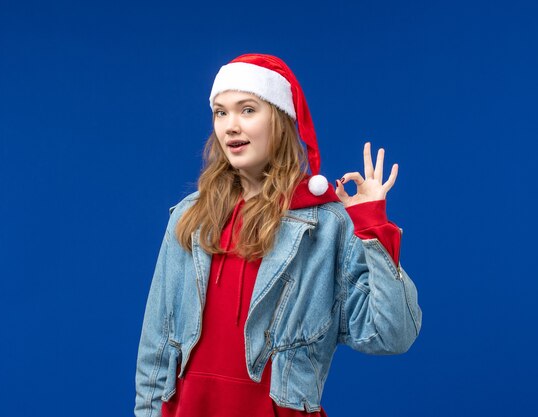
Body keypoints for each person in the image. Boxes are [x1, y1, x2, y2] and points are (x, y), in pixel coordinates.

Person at [134, 53, 422, 417]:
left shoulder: (326, 224)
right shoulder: (190, 215)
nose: (230, 126)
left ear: (281, 119)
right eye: (221, 112)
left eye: (248, 110)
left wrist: (372, 228)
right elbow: (155, 346)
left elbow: (392, 334)